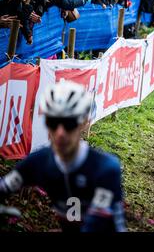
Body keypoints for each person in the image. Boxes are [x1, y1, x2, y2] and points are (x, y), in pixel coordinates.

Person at [0, 81, 126, 232]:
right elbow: (4, 186)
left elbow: (96, 224)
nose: (60, 133)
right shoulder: (39, 161)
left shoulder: (105, 168)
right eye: (53, 122)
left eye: (69, 123)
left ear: (83, 123)